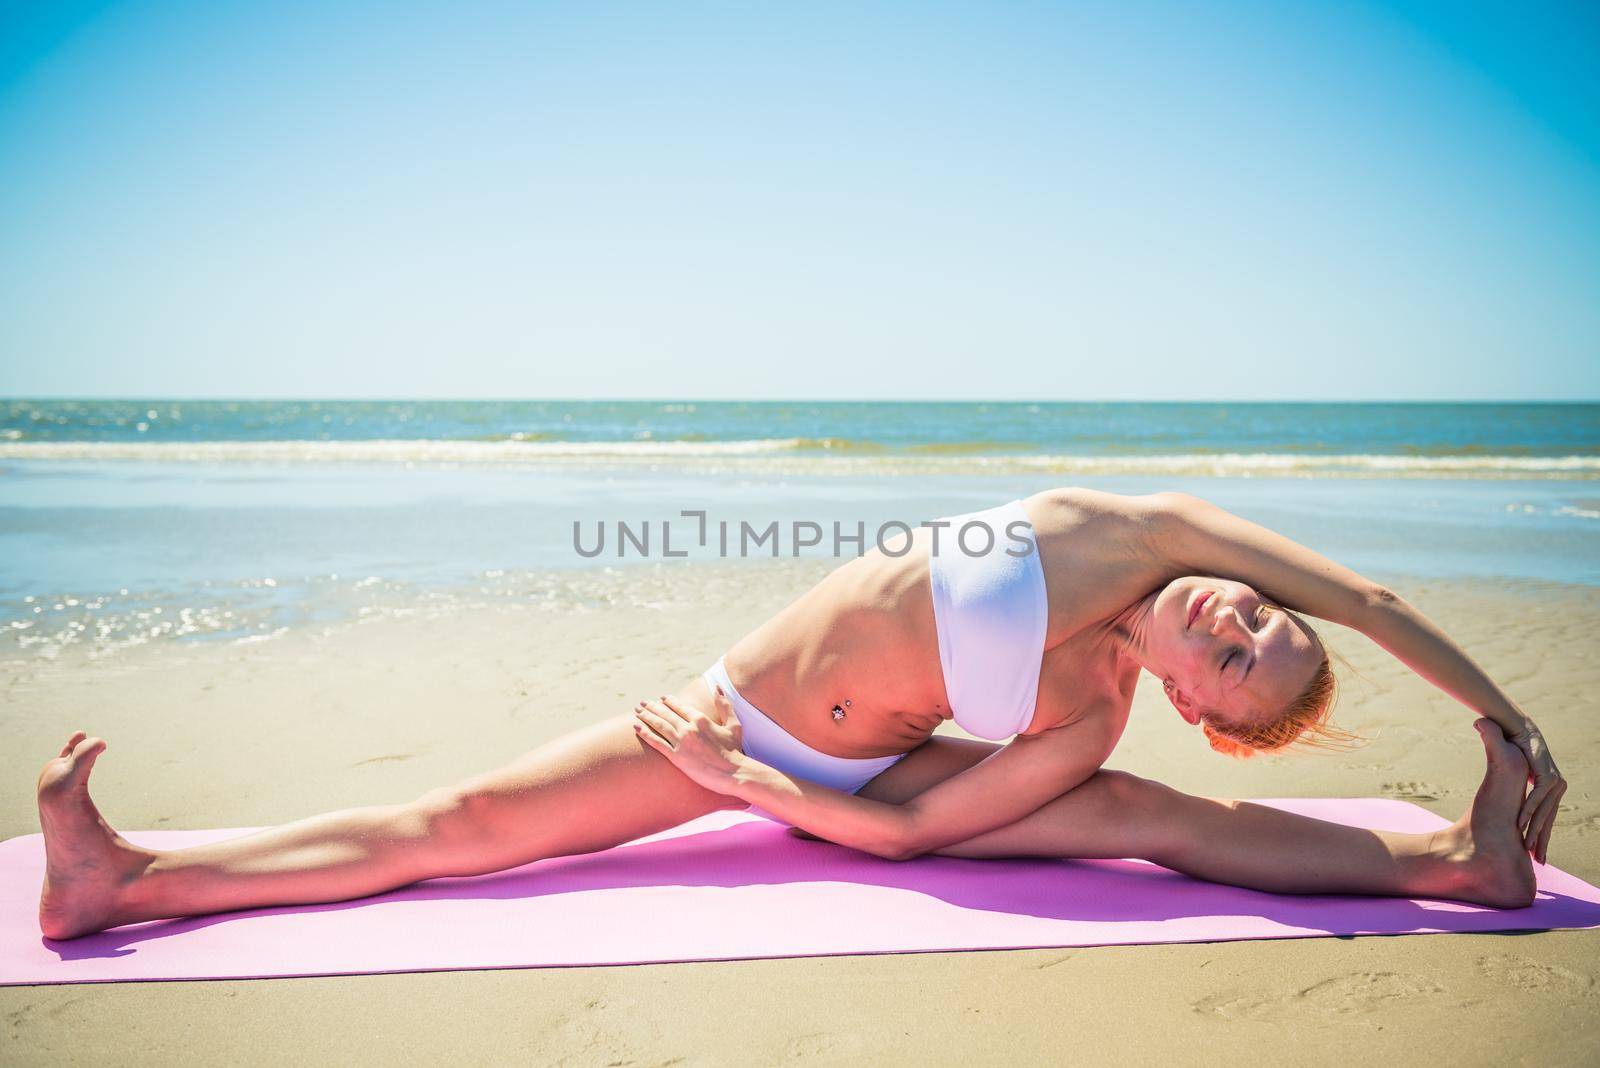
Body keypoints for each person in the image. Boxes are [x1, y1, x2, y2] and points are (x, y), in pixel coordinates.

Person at [35, 489, 1562, 940]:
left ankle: (1458, 868)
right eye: (1259, 620)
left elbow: (898, 834)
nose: (1240, 629)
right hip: (731, 708)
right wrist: (1513, 723)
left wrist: (740, 784)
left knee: (1157, 822)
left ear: (1200, 704)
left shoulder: (1089, 718)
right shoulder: (1136, 526)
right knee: (464, 825)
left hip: (784, 757)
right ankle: (128, 881)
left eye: (1242, 669)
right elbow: (1364, 598)